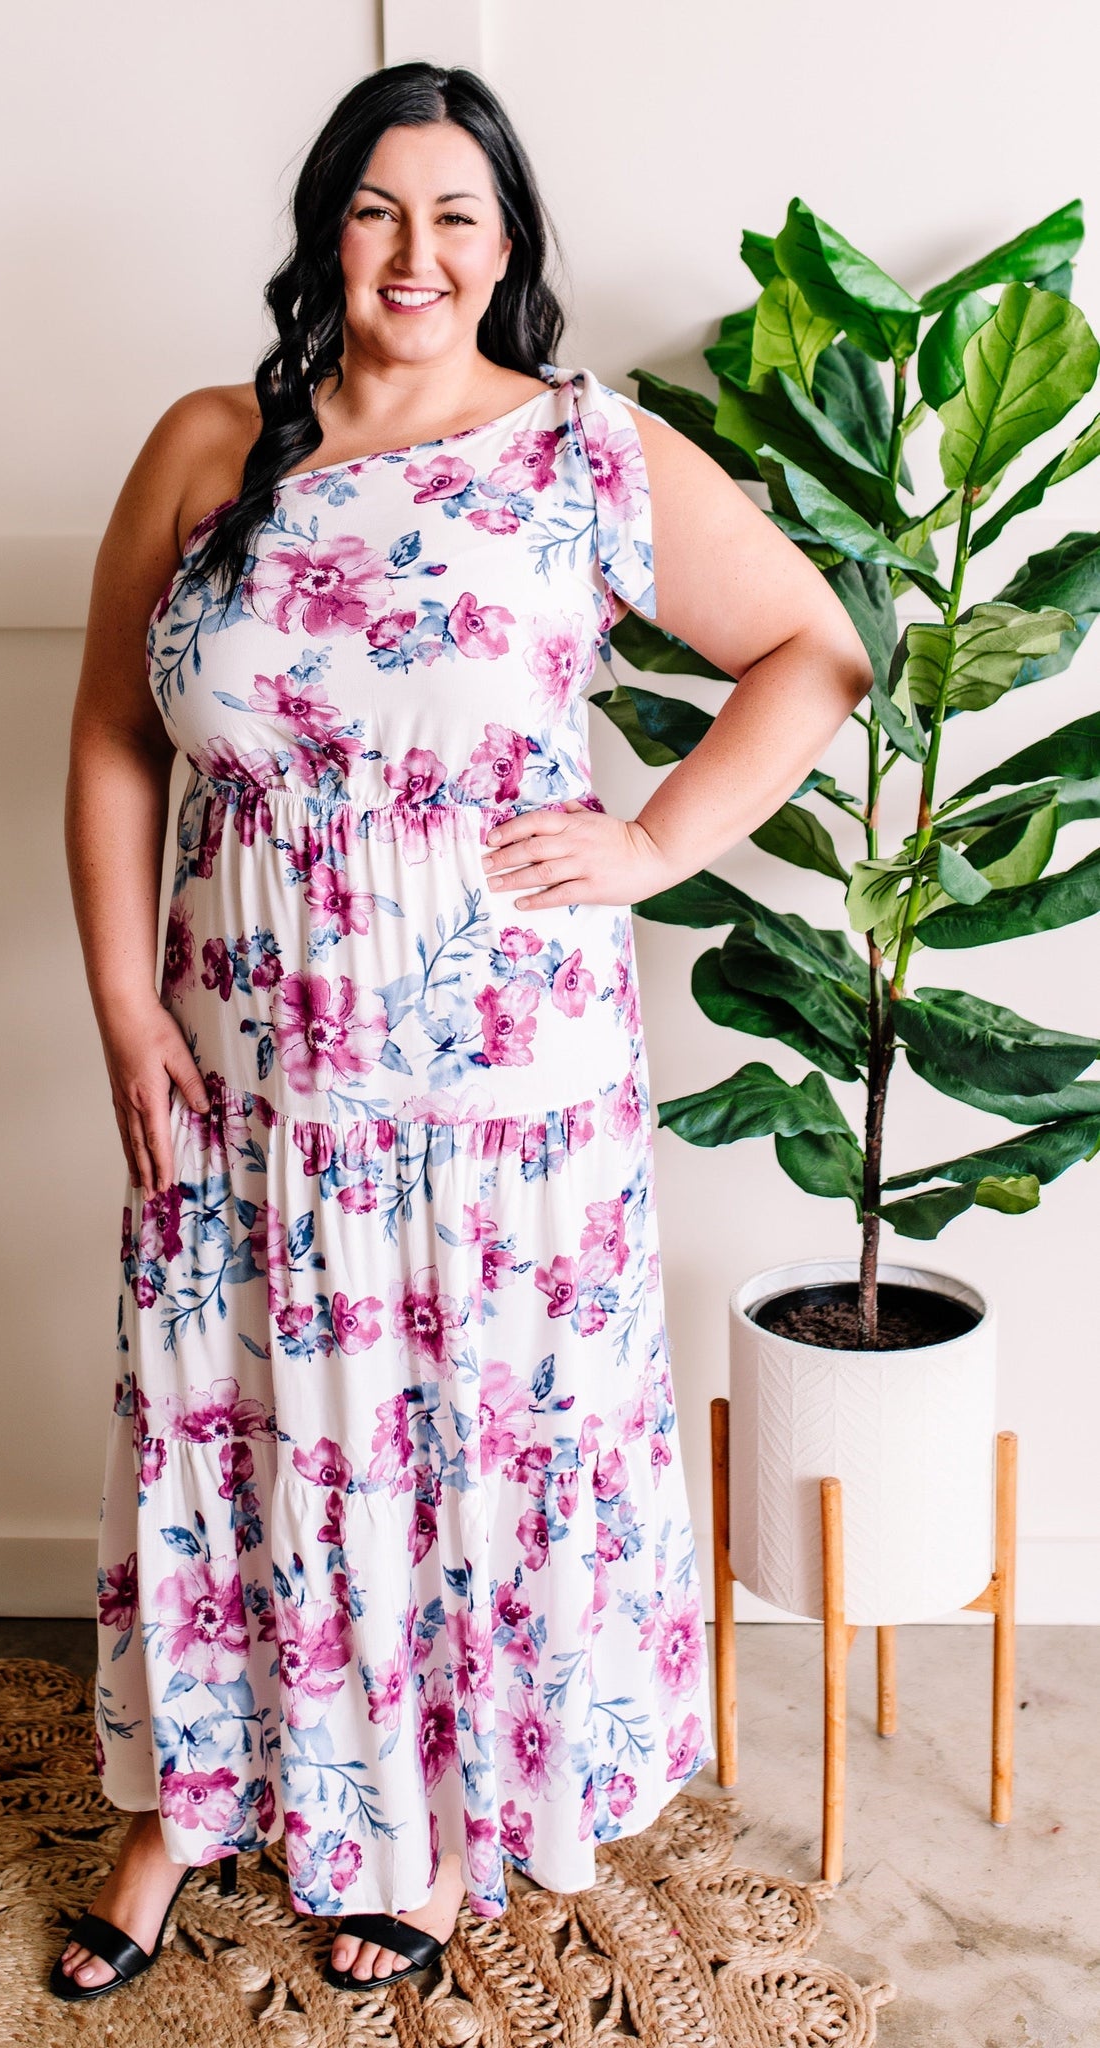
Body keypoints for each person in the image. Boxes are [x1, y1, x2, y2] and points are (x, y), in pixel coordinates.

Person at [53, 61, 873, 2002]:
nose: (412, 252)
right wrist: (120, 1001)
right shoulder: (206, 446)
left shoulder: (584, 452)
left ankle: (426, 1830)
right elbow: (109, 731)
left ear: (505, 249)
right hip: (244, 1078)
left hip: (498, 1094)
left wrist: (650, 844)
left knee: (460, 1447)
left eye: (455, 216)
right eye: (376, 210)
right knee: (235, 1426)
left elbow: (815, 651)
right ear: (325, 231)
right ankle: (184, 1805)